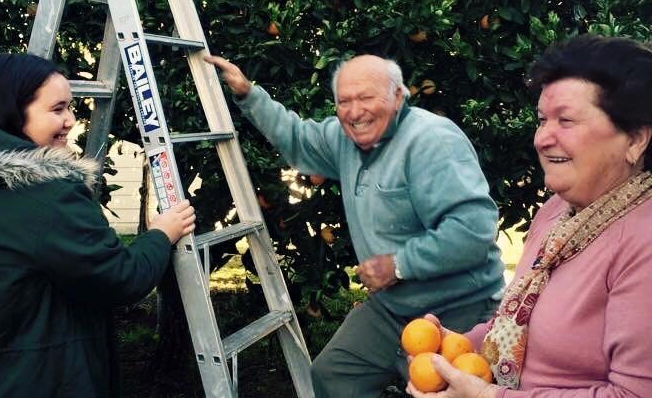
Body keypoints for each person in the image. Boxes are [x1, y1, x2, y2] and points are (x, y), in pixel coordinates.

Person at [204, 53, 506, 397]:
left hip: (460, 307)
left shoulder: (431, 141)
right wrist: (248, 93)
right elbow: (299, 139)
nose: (354, 111)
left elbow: (472, 230)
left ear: (399, 95)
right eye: (344, 101)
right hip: (393, 308)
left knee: (443, 394)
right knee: (334, 376)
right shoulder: (344, 139)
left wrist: (400, 264)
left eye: (366, 97)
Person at [0, 53, 196, 397]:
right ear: (14, 110)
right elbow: (120, 277)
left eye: (70, 107)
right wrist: (163, 233)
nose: (71, 120)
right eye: (57, 110)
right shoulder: (46, 194)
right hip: (28, 380)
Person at [405, 34, 652, 398]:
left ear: (634, 140)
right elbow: (519, 323)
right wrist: (457, 346)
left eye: (565, 121)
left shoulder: (642, 245)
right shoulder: (558, 212)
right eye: (541, 120)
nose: (542, 138)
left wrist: (490, 397)